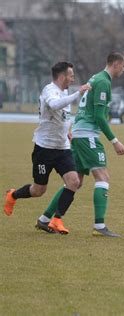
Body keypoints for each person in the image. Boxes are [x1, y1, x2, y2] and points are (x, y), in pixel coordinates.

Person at [39, 52, 124, 237]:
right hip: (87, 135)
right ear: (116, 64)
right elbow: (98, 116)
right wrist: (115, 141)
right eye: (123, 66)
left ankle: (45, 219)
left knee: (75, 182)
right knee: (103, 177)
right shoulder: (103, 81)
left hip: (79, 133)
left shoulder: (95, 77)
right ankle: (99, 226)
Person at [3, 62, 90, 234]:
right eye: (71, 75)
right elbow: (56, 105)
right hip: (44, 149)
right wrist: (78, 92)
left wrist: (68, 132)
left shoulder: (64, 92)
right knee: (38, 190)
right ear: (62, 76)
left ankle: (56, 219)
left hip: (63, 148)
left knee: (74, 181)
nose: (72, 79)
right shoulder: (49, 91)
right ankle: (13, 195)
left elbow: (64, 116)